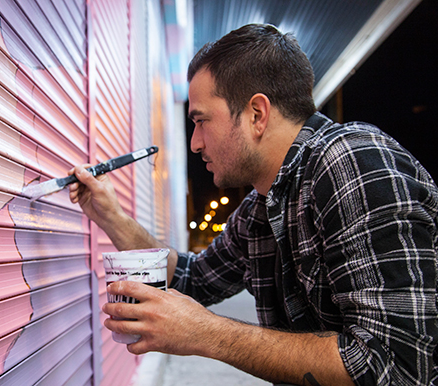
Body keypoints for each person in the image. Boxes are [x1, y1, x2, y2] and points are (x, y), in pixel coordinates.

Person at [68, 24, 438, 386]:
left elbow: (393, 366)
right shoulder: (260, 209)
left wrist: (207, 334)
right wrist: (109, 215)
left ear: (256, 114)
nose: (195, 143)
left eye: (201, 121)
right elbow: (190, 280)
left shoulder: (352, 161)